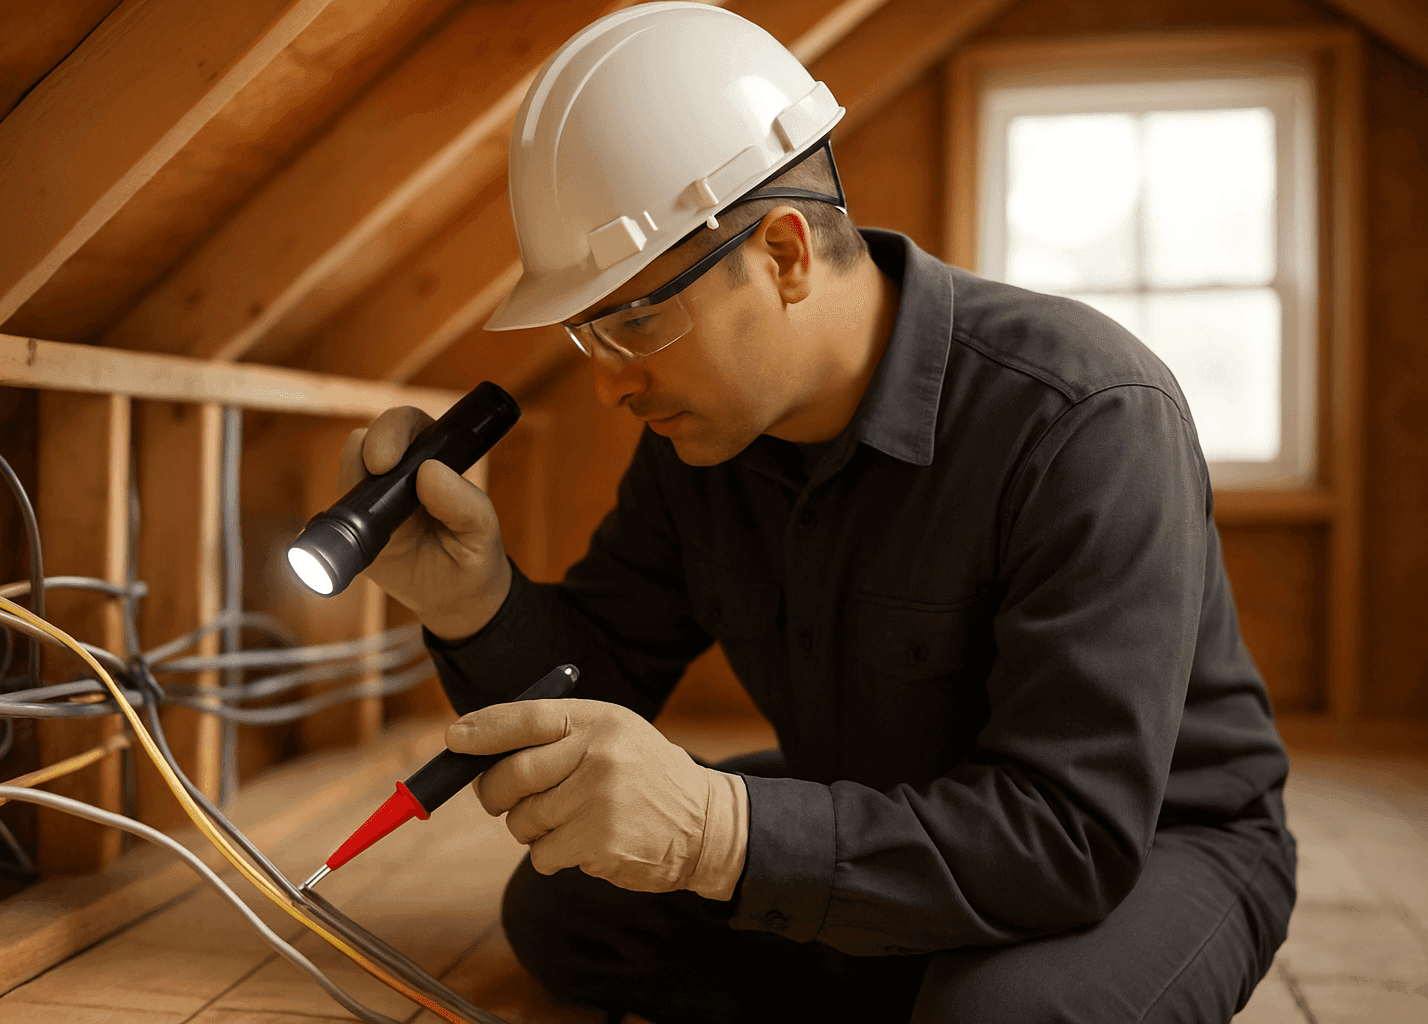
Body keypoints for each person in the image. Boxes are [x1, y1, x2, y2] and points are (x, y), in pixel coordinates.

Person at [339, 4, 1297, 1021]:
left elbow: (1070, 832)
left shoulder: (1086, 418)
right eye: (590, 336)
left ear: (786, 255)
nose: (610, 387)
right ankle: (899, 951)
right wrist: (475, 599)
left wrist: (726, 833)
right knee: (569, 910)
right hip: (895, 792)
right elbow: (603, 682)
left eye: (636, 320)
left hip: (1146, 839)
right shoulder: (700, 438)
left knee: (1005, 1017)